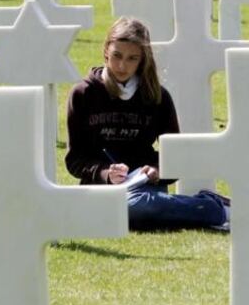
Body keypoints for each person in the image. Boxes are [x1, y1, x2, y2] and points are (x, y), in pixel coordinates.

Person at [65, 17, 230, 231]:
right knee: (129, 212)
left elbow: (175, 156)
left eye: (132, 58)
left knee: (137, 208)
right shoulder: (83, 94)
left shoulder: (157, 96)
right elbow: (74, 159)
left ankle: (209, 209)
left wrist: (157, 170)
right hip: (102, 189)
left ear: (143, 60)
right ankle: (212, 208)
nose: (122, 66)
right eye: (117, 56)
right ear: (106, 50)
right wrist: (106, 172)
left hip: (145, 187)